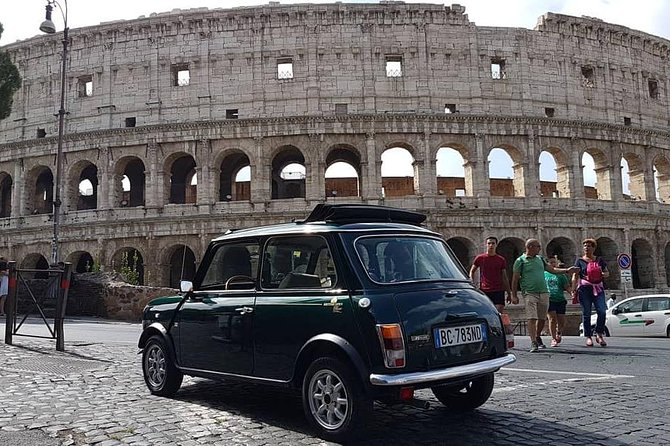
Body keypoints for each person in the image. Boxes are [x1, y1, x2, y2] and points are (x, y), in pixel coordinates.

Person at [511, 239, 579, 352]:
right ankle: (533, 342)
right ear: (530, 247)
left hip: (543, 292)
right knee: (531, 317)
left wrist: (567, 270)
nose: (540, 248)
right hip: (529, 293)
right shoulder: (520, 261)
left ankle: (537, 336)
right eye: (538, 246)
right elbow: (515, 278)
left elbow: (552, 270)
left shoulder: (540, 259)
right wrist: (514, 295)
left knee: (542, 319)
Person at [572, 238, 609, 347]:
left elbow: (607, 272)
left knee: (602, 311)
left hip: (598, 288)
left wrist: (602, 274)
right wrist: (573, 289)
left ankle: (599, 333)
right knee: (586, 313)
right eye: (585, 246)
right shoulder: (579, 261)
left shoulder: (599, 260)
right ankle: (588, 336)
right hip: (584, 289)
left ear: (593, 248)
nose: (586, 248)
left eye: (589, 246)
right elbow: (575, 276)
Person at [469, 236, 511, 313]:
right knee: (486, 312)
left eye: (493, 243)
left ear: (496, 245)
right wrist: (472, 282)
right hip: (485, 290)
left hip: (498, 290)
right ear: (486, 245)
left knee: (498, 313)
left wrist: (509, 293)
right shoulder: (480, 258)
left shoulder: (501, 259)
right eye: (489, 243)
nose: (491, 245)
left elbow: (504, 277)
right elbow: (472, 271)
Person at [544, 257, 572, 347]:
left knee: (561, 320)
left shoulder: (561, 275)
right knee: (552, 319)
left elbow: (567, 286)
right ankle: (553, 338)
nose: (553, 264)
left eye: (554, 262)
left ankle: (558, 332)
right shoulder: (544, 274)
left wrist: (572, 293)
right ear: (547, 264)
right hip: (549, 299)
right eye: (551, 262)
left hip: (560, 299)